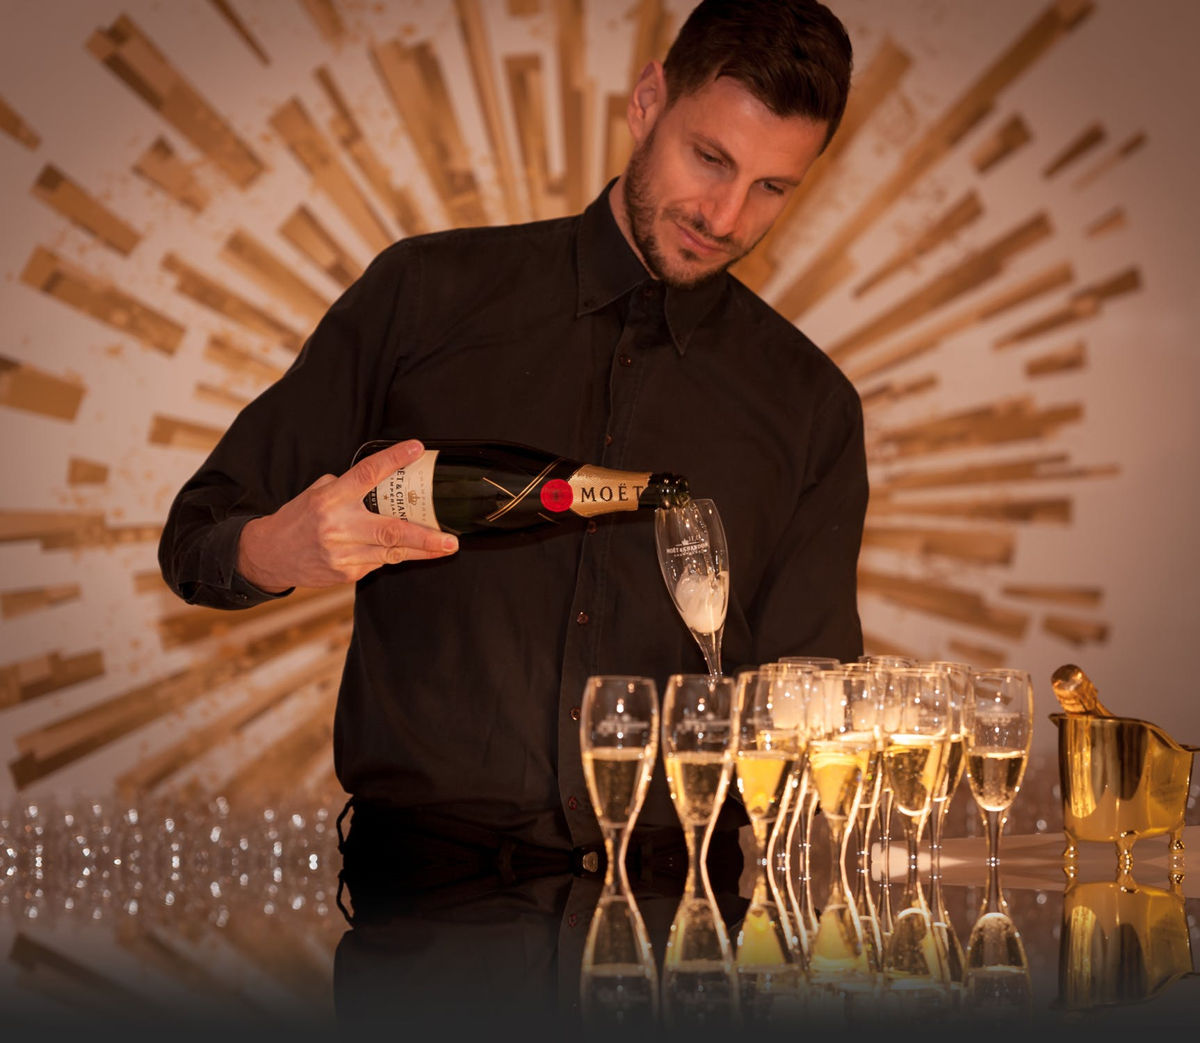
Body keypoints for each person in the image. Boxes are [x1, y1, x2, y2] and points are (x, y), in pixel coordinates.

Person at [158, 0, 865, 911]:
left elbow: (812, 704)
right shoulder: (424, 295)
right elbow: (196, 539)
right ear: (647, 100)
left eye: (773, 188)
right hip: (421, 916)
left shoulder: (811, 405)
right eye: (712, 159)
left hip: (685, 927)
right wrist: (282, 549)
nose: (726, 217)